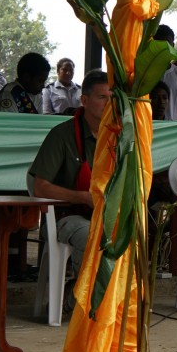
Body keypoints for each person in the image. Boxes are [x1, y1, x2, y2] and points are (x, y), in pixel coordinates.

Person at [29, 70, 111, 290]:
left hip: (105, 216)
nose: (109, 104)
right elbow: (40, 187)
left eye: (112, 98)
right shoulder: (62, 135)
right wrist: (84, 198)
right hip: (65, 218)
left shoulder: (117, 137)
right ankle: (84, 301)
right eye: (102, 97)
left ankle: (109, 305)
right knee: (93, 235)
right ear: (84, 100)